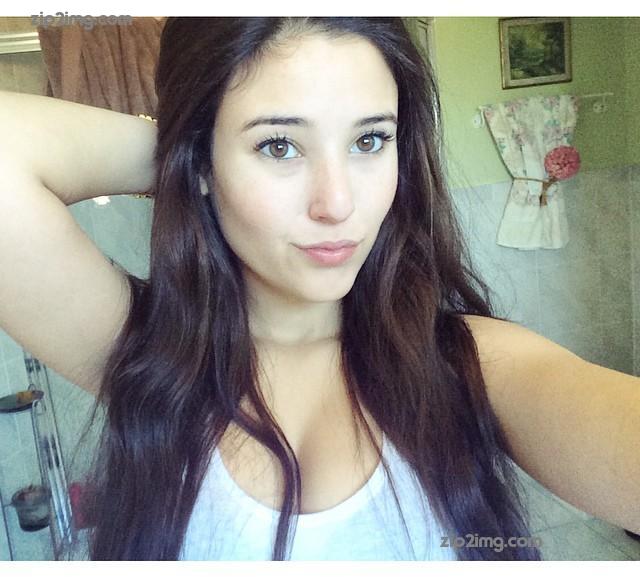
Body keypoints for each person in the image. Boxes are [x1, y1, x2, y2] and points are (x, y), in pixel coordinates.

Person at [0, 16, 638, 561]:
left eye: (369, 140)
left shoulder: (471, 364)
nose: (338, 203)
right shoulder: (152, 357)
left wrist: (220, 151)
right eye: (279, 146)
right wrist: (186, 158)